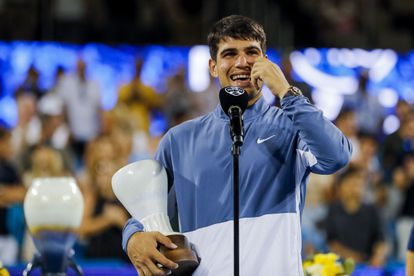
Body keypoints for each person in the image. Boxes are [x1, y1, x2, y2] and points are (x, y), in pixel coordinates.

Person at [122, 15, 352, 275]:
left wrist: (287, 93)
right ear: (213, 66)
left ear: (266, 62)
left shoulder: (292, 126)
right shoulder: (179, 140)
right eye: (229, 54)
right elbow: (147, 210)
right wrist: (132, 238)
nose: (242, 62)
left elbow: (337, 156)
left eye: (252, 52)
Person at [324, 166, 388, 267]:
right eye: (351, 183)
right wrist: (352, 257)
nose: (356, 187)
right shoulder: (334, 209)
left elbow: (381, 240)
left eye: (359, 183)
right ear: (341, 186)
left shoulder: (372, 210)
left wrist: (378, 256)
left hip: (367, 266)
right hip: (340, 265)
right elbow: (331, 242)